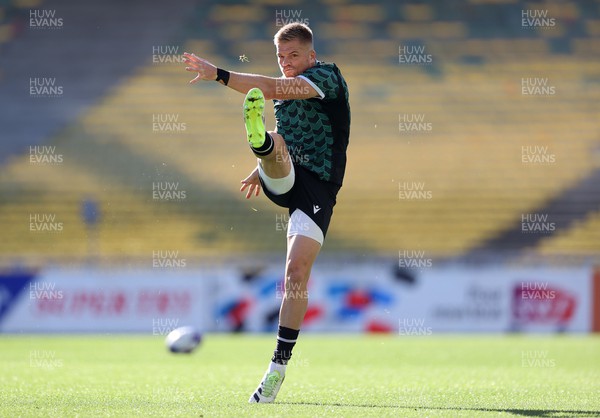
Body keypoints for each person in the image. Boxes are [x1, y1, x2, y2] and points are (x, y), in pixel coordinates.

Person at [183, 22, 350, 404]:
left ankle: (277, 369)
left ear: (311, 54)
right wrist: (266, 164)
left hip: (319, 188)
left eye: (294, 56)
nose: (287, 63)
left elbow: (272, 87)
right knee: (275, 139)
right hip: (285, 175)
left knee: (295, 272)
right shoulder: (279, 92)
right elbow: (279, 110)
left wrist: (218, 75)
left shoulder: (327, 77)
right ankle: (260, 143)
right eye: (281, 57)